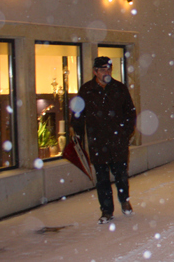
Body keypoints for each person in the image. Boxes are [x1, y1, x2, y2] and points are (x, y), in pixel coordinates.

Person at [72, 56, 137, 225]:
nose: (106, 73)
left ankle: (124, 200)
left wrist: (125, 133)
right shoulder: (87, 90)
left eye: (108, 69)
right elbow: (78, 114)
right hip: (98, 142)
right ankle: (106, 211)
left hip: (118, 142)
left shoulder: (119, 88)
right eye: (102, 70)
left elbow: (130, 113)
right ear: (95, 71)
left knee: (121, 175)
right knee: (102, 179)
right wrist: (77, 134)